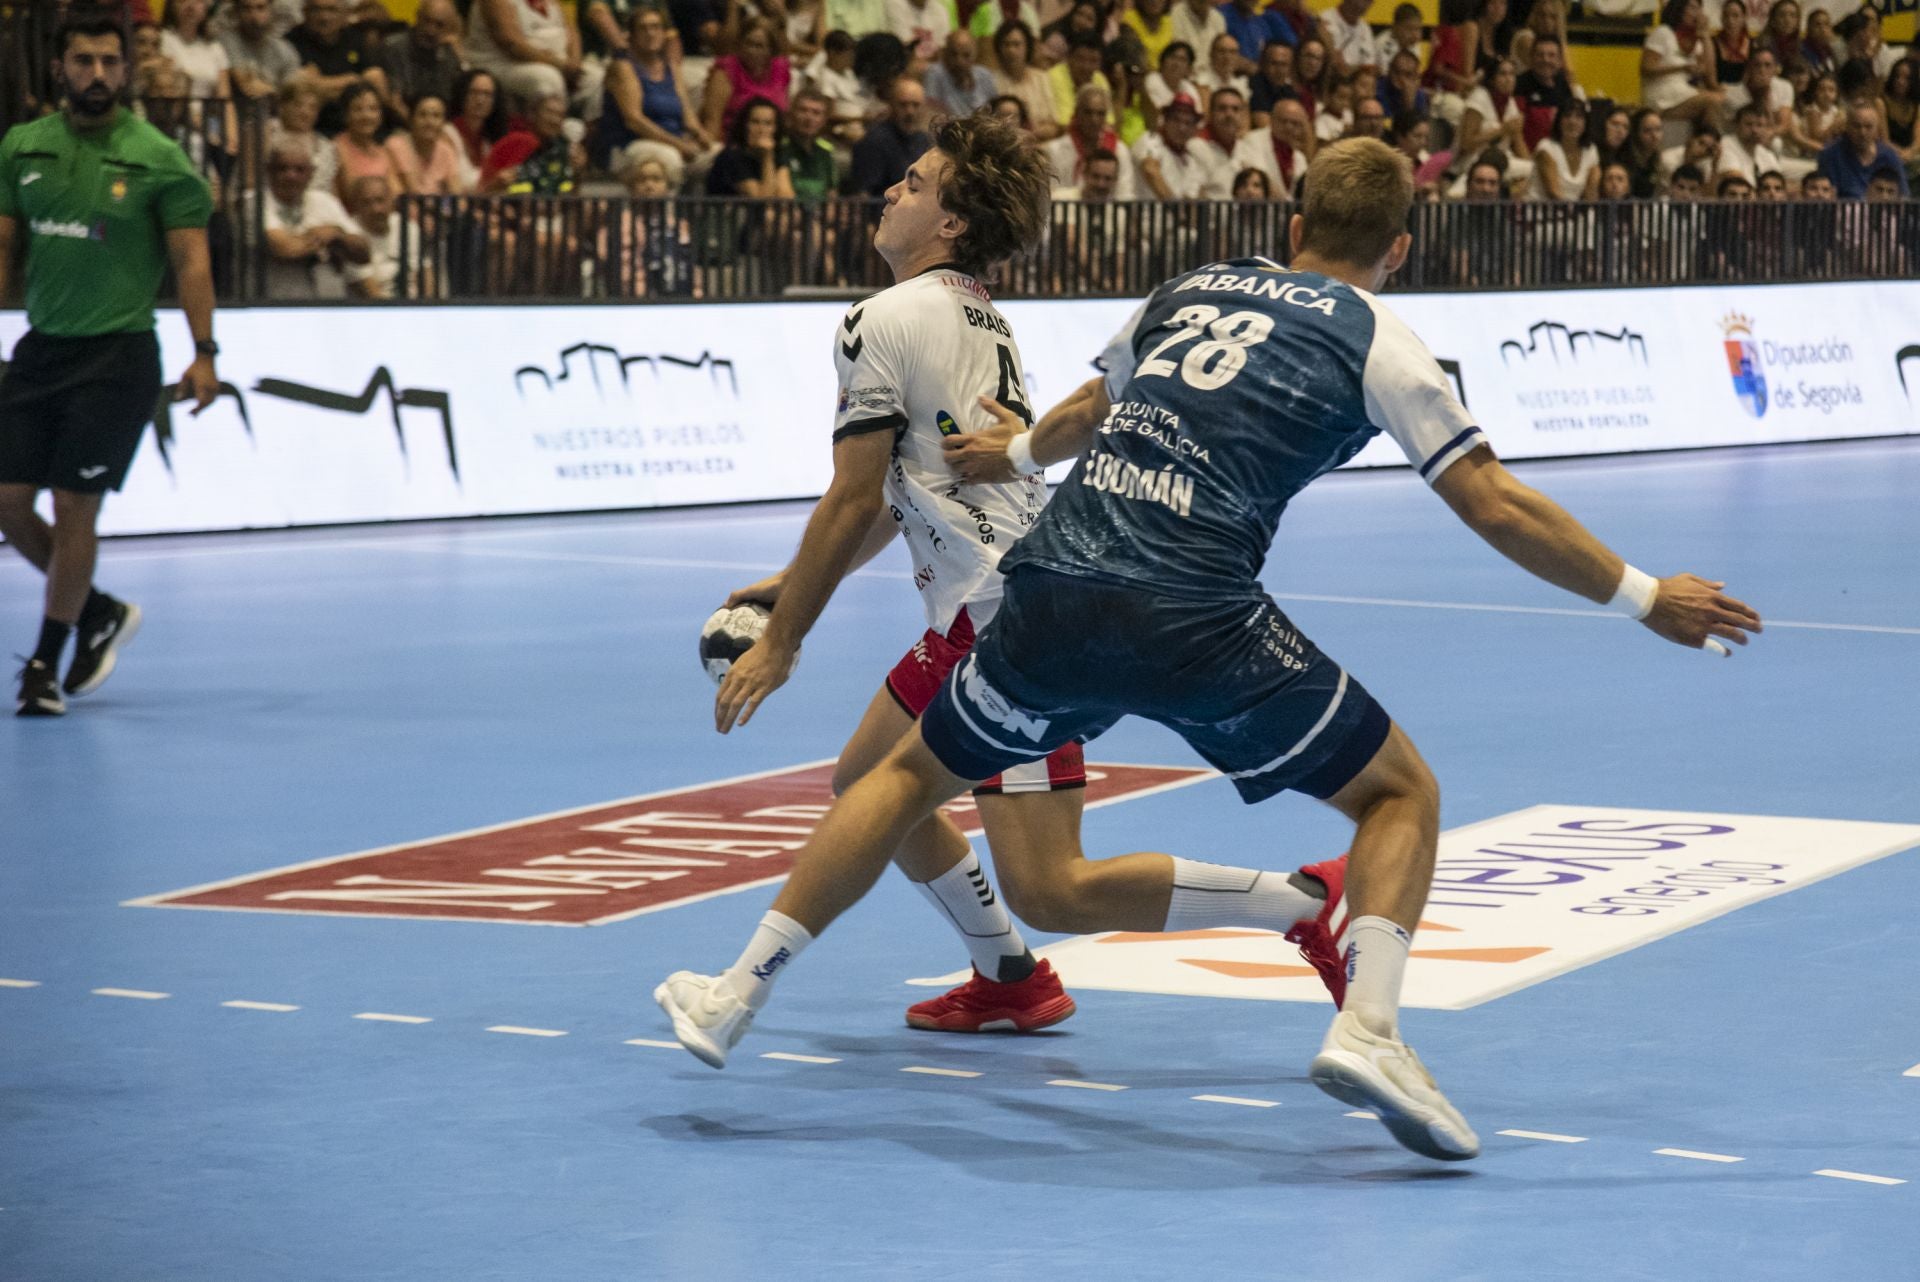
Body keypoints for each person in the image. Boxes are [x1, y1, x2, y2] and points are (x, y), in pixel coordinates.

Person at [657, 137, 1764, 1162]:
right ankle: (1367, 1024)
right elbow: (1493, 502)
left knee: (900, 779)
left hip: (1054, 588)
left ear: (1291, 224)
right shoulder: (1382, 337)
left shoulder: (1193, 287)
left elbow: (1092, 405)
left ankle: (740, 995)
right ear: (1397, 250)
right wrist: (1644, 594)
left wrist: (1012, 452)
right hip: (1196, 612)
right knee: (1400, 795)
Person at [0, 12, 219, 717]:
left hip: (118, 356)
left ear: (126, 71)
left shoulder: (159, 158)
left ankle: (44, 662)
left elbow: (191, 260)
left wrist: (204, 351)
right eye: (83, 61)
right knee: (7, 501)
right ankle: (94, 610)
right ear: (60, 68)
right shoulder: (22, 147)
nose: (96, 73)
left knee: (72, 507)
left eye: (109, 62)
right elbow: (3, 248)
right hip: (41, 350)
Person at [596, 6, 713, 187]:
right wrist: (679, 145)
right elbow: (634, 120)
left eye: (656, 27)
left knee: (719, 157)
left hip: (673, 141)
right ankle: (667, 214)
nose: (650, 33)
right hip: (629, 144)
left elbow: (687, 114)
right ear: (631, 36)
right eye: (643, 28)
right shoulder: (623, 68)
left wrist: (702, 137)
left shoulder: (671, 68)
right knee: (671, 159)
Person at [262, 139, 368, 295]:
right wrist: (329, 240)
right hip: (273, 307)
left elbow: (363, 253)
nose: (291, 175)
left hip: (329, 306)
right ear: (269, 171)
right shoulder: (254, 202)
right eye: (282, 168)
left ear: (311, 173)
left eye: (299, 170)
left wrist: (336, 233)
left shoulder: (325, 201)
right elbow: (287, 248)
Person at [466, 0, 581, 110]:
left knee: (594, 79)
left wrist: (575, 62)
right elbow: (512, 44)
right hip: (503, 63)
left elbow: (571, 28)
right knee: (549, 79)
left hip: (555, 60)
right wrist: (560, 65)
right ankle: (553, 129)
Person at [1045, 84, 1138, 197]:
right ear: (1077, 113)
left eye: (1100, 114)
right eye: (1088, 112)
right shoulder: (1055, 150)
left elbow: (1125, 195)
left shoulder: (1120, 150)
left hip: (1109, 213)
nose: (1094, 120)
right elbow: (1052, 194)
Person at [1642, 0, 1723, 125]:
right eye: (1692, 8)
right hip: (1661, 96)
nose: (1697, 14)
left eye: (1699, 9)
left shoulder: (1696, 42)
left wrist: (1705, 36)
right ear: (1679, 9)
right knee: (1713, 101)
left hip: (1683, 91)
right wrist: (1681, 68)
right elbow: (1646, 68)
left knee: (1725, 100)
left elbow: (1710, 77)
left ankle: (1709, 139)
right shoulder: (1663, 33)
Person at [376, 0, 463, 115]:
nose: (430, 31)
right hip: (402, 123)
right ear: (417, 17)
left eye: (439, 25)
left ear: (448, 28)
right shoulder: (394, 48)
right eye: (427, 21)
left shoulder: (448, 54)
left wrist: (461, 58)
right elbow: (396, 102)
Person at [847, 77, 931, 196]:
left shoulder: (924, 141)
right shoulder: (873, 142)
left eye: (916, 105)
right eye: (903, 105)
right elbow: (863, 195)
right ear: (891, 106)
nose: (910, 112)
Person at [707, 95, 795, 197]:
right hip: (729, 210)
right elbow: (761, 199)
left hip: (764, 211)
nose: (761, 129)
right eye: (755, 122)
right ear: (744, 125)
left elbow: (786, 196)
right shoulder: (732, 156)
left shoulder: (779, 152)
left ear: (775, 128)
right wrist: (767, 157)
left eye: (768, 123)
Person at [1133, 90, 1216, 197]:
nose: (1182, 128)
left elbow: (1197, 196)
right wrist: (1178, 209)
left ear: (1195, 129)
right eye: (1176, 120)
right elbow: (1151, 171)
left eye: (1188, 123)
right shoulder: (1151, 139)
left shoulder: (1191, 161)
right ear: (1165, 121)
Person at [1817, 101, 1908, 198]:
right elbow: (1825, 198)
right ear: (1847, 127)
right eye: (1857, 126)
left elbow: (1903, 196)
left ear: (1877, 129)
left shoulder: (1890, 156)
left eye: (1868, 127)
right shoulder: (1830, 155)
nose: (1862, 132)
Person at [219, 0, 303, 100]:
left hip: (276, 112)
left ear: (271, 10)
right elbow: (247, 86)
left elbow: (294, 94)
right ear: (237, 12)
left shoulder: (285, 50)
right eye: (246, 9)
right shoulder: (226, 42)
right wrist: (278, 92)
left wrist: (272, 91)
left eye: (260, 8)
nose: (254, 16)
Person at [386, 92, 467, 194]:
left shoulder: (446, 150)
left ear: (444, 123)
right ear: (411, 119)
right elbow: (411, 192)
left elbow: (456, 192)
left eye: (436, 116)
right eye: (422, 115)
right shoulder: (396, 146)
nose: (429, 122)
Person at [332, 80, 398, 202]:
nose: (366, 116)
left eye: (373, 109)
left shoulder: (383, 150)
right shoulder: (337, 147)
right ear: (345, 114)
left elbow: (396, 193)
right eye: (358, 109)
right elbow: (353, 194)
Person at [781, 90, 838, 201]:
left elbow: (832, 192)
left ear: (824, 120)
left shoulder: (826, 150)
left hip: (821, 214)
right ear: (792, 113)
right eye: (803, 110)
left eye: (816, 113)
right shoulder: (781, 147)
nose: (809, 118)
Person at [924, 31, 996, 119]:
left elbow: (995, 110)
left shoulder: (985, 75)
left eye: (966, 55)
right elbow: (932, 112)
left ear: (975, 55)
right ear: (945, 53)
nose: (959, 61)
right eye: (954, 54)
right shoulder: (935, 73)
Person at [1321, 0, 1381, 78]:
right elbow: (1337, 67)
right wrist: (1360, 68)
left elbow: (1370, 70)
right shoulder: (1325, 20)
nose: (1364, 5)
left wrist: (1353, 69)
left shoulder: (1365, 28)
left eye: (1369, 1)